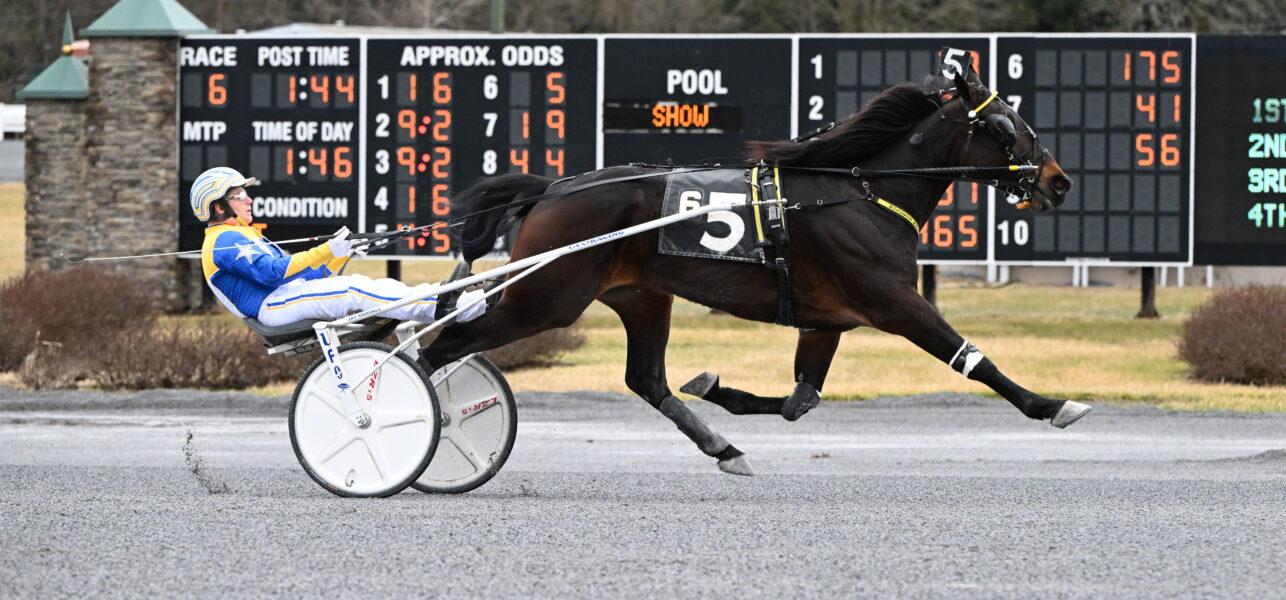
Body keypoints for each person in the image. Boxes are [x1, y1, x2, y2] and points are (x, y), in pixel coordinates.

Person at [192, 166, 485, 328]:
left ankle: (450, 299)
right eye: (240, 196)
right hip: (272, 306)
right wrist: (327, 249)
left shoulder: (240, 235)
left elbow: (308, 277)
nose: (249, 200)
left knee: (375, 285)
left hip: (283, 299)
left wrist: (339, 255)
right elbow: (272, 274)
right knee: (353, 289)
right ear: (218, 206)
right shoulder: (223, 240)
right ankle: (453, 306)